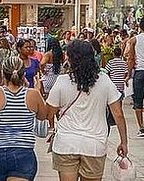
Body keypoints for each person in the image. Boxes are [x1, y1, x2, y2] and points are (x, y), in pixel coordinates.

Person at [46, 40, 128, 180]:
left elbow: (49, 113)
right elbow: (118, 114)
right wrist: (124, 142)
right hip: (94, 145)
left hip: (66, 144)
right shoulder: (104, 81)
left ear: (70, 58)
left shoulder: (62, 81)